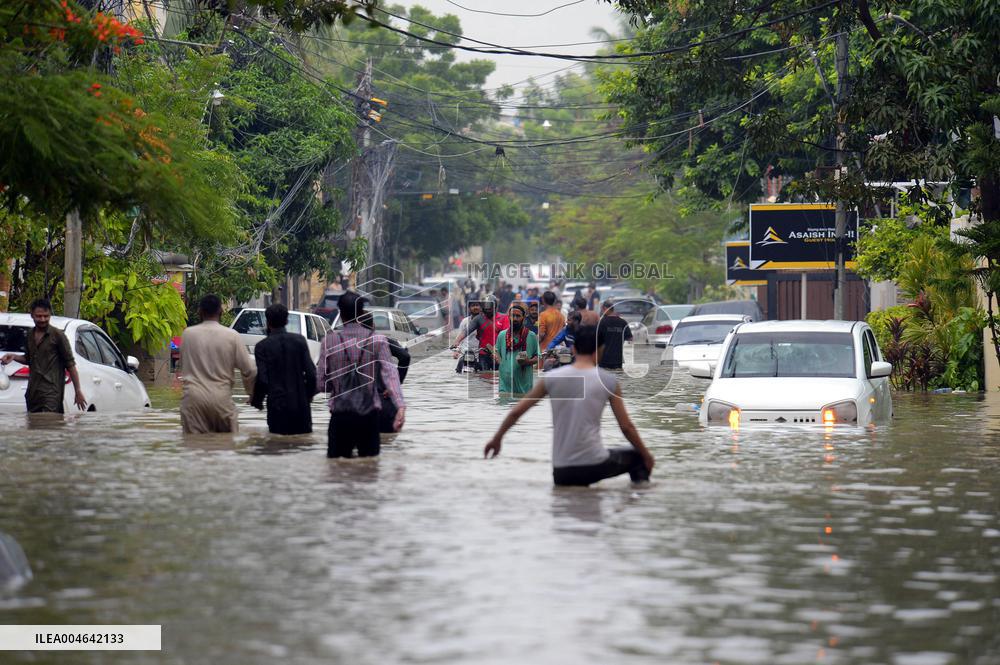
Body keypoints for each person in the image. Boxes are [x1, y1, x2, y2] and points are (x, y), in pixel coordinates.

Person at [483, 325, 654, 486]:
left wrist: (497, 439)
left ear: (573, 349)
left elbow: (516, 412)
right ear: (601, 350)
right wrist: (647, 455)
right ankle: (637, 500)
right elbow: (626, 427)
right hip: (594, 464)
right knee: (638, 457)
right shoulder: (608, 381)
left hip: (562, 470)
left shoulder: (551, 378)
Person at [316, 291, 405, 458]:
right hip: (368, 419)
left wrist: (338, 383)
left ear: (341, 313)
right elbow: (390, 376)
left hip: (340, 418)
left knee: (337, 472)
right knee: (369, 472)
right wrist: (400, 406)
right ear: (361, 312)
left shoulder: (329, 341)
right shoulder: (378, 340)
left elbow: (321, 384)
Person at [179, 294, 256, 434]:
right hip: (222, 399)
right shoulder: (232, 336)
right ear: (220, 311)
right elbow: (249, 370)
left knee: (193, 448)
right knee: (225, 447)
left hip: (193, 399)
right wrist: (251, 394)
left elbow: (182, 366)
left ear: (200, 312)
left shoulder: (187, 334)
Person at [1, 298, 86, 413]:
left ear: (50, 315)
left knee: (49, 425)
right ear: (32, 315)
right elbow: (30, 359)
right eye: (39, 316)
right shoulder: (30, 335)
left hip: (51, 394)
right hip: (32, 394)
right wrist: (14, 357)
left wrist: (78, 391)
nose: (42, 319)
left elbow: (70, 364)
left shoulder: (58, 335)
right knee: (34, 426)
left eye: (46, 316)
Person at [250, 303, 316, 435]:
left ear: (268, 322)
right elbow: (312, 375)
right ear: (286, 321)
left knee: (277, 446)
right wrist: (306, 397)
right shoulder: (300, 341)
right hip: (301, 408)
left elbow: (263, 380)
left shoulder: (262, 347)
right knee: (302, 447)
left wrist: (257, 401)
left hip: (277, 407)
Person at [359, 311, 410, 434]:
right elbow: (405, 356)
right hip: (383, 400)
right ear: (373, 325)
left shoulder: (346, 345)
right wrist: (396, 383)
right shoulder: (383, 341)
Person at [494, 302, 538, 395]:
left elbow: (538, 357)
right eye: (512, 316)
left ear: (524, 318)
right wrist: (496, 358)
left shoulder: (531, 336)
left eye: (518, 316)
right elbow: (496, 352)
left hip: (524, 388)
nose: (515, 319)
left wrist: (527, 362)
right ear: (508, 317)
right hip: (504, 388)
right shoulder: (502, 335)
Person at [453, 299, 508, 371]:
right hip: (483, 353)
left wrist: (499, 349)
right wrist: (456, 342)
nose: (488, 311)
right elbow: (466, 331)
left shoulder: (503, 318)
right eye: (486, 309)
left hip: (498, 353)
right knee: (483, 374)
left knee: (499, 374)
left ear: (495, 307)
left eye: (490, 309)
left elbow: (506, 335)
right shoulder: (478, 318)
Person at [596, 299, 632, 370]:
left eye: (602, 309)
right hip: (618, 359)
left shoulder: (602, 322)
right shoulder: (623, 322)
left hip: (604, 359)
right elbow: (630, 338)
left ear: (605, 309)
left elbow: (596, 339)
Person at [452, 300, 482, 373]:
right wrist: (456, 351)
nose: (475, 307)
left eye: (477, 305)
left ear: (481, 308)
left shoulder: (484, 321)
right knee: (459, 369)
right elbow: (459, 337)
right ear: (469, 308)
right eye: (473, 306)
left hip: (480, 353)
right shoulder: (465, 321)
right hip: (466, 352)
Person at [536, 291, 566, 362]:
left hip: (545, 349)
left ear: (543, 300)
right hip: (558, 350)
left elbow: (541, 334)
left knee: (543, 371)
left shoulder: (543, 315)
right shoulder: (561, 315)